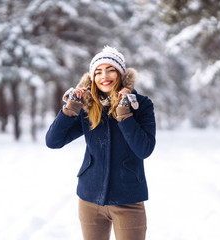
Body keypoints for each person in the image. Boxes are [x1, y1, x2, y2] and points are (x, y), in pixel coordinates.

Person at [45, 46, 156, 240]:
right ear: (91, 78)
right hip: (89, 199)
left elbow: (144, 149)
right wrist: (70, 109)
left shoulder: (141, 105)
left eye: (110, 69)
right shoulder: (88, 106)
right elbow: (53, 141)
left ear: (121, 73)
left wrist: (125, 114)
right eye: (98, 72)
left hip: (128, 199)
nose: (104, 76)